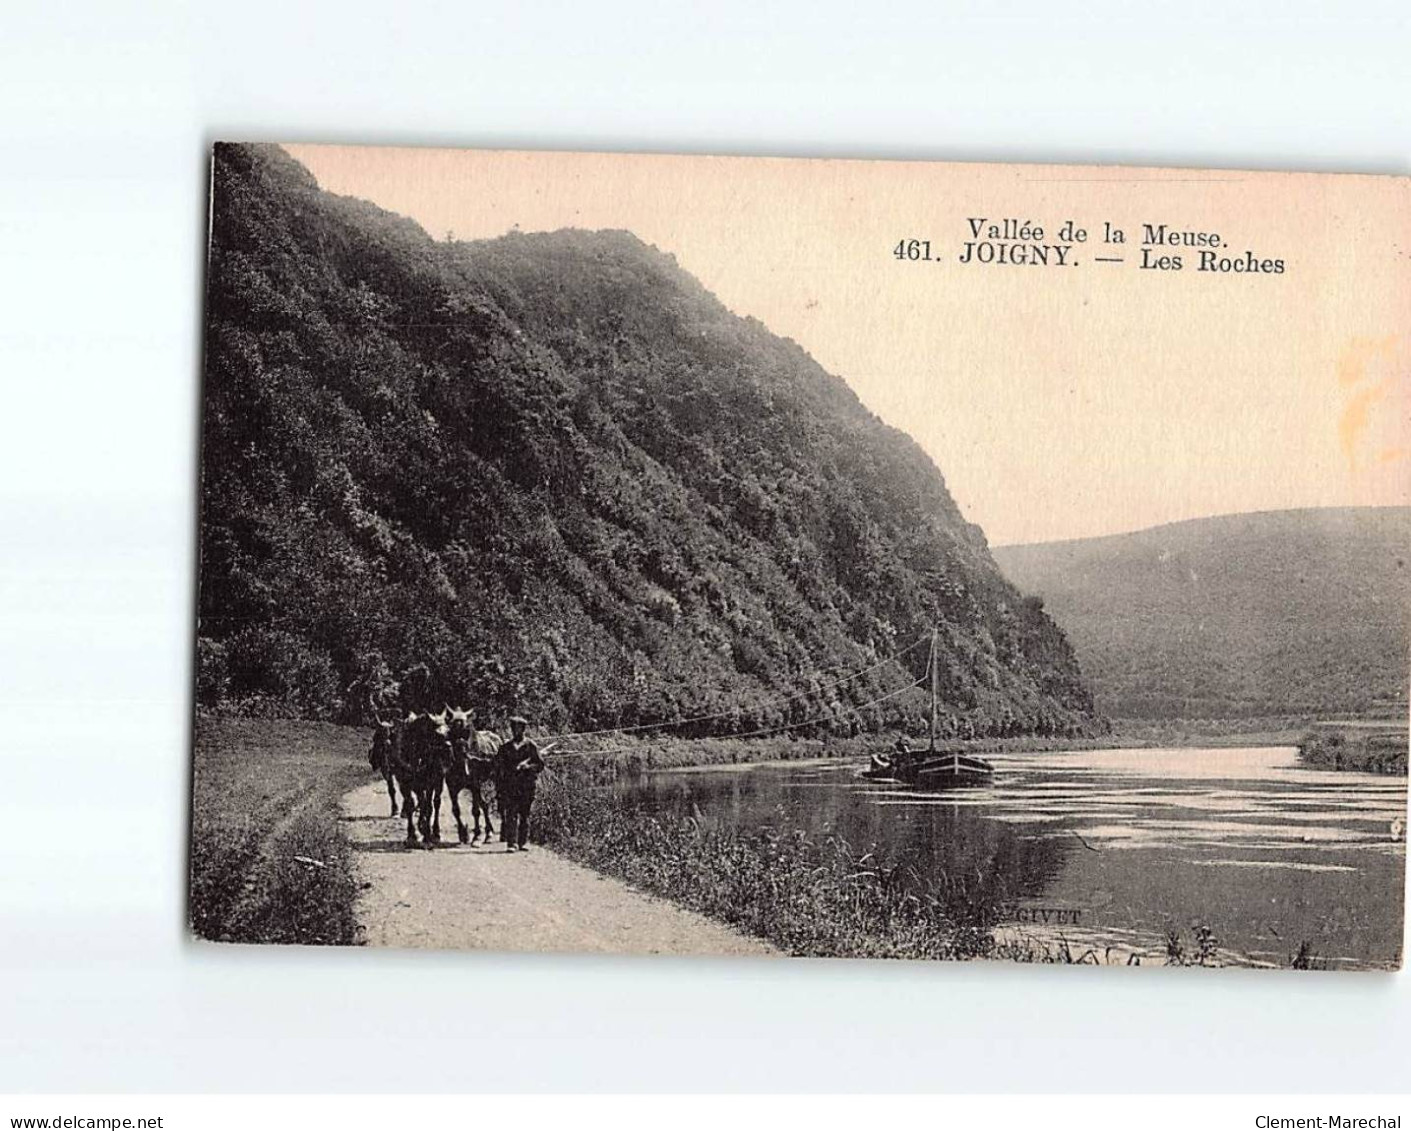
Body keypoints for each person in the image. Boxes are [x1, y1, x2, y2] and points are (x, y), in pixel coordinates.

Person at [496, 716, 545, 852]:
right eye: (513, 728)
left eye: (518, 728)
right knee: (511, 814)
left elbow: (540, 765)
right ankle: (512, 844)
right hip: (511, 786)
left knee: (525, 814)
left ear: (523, 729)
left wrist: (528, 766)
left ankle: (522, 842)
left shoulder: (531, 746)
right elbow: (498, 766)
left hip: (527, 786)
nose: (515, 731)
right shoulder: (505, 748)